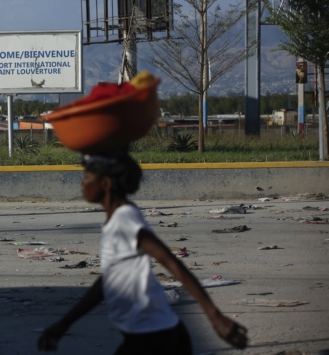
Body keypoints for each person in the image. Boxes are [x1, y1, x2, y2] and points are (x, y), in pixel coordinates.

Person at [37, 147, 248, 354]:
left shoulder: (125, 220)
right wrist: (64, 324)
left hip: (156, 338)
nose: (82, 183)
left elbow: (172, 264)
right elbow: (107, 281)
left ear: (106, 184)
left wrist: (215, 316)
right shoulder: (116, 219)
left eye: (86, 177)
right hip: (150, 333)